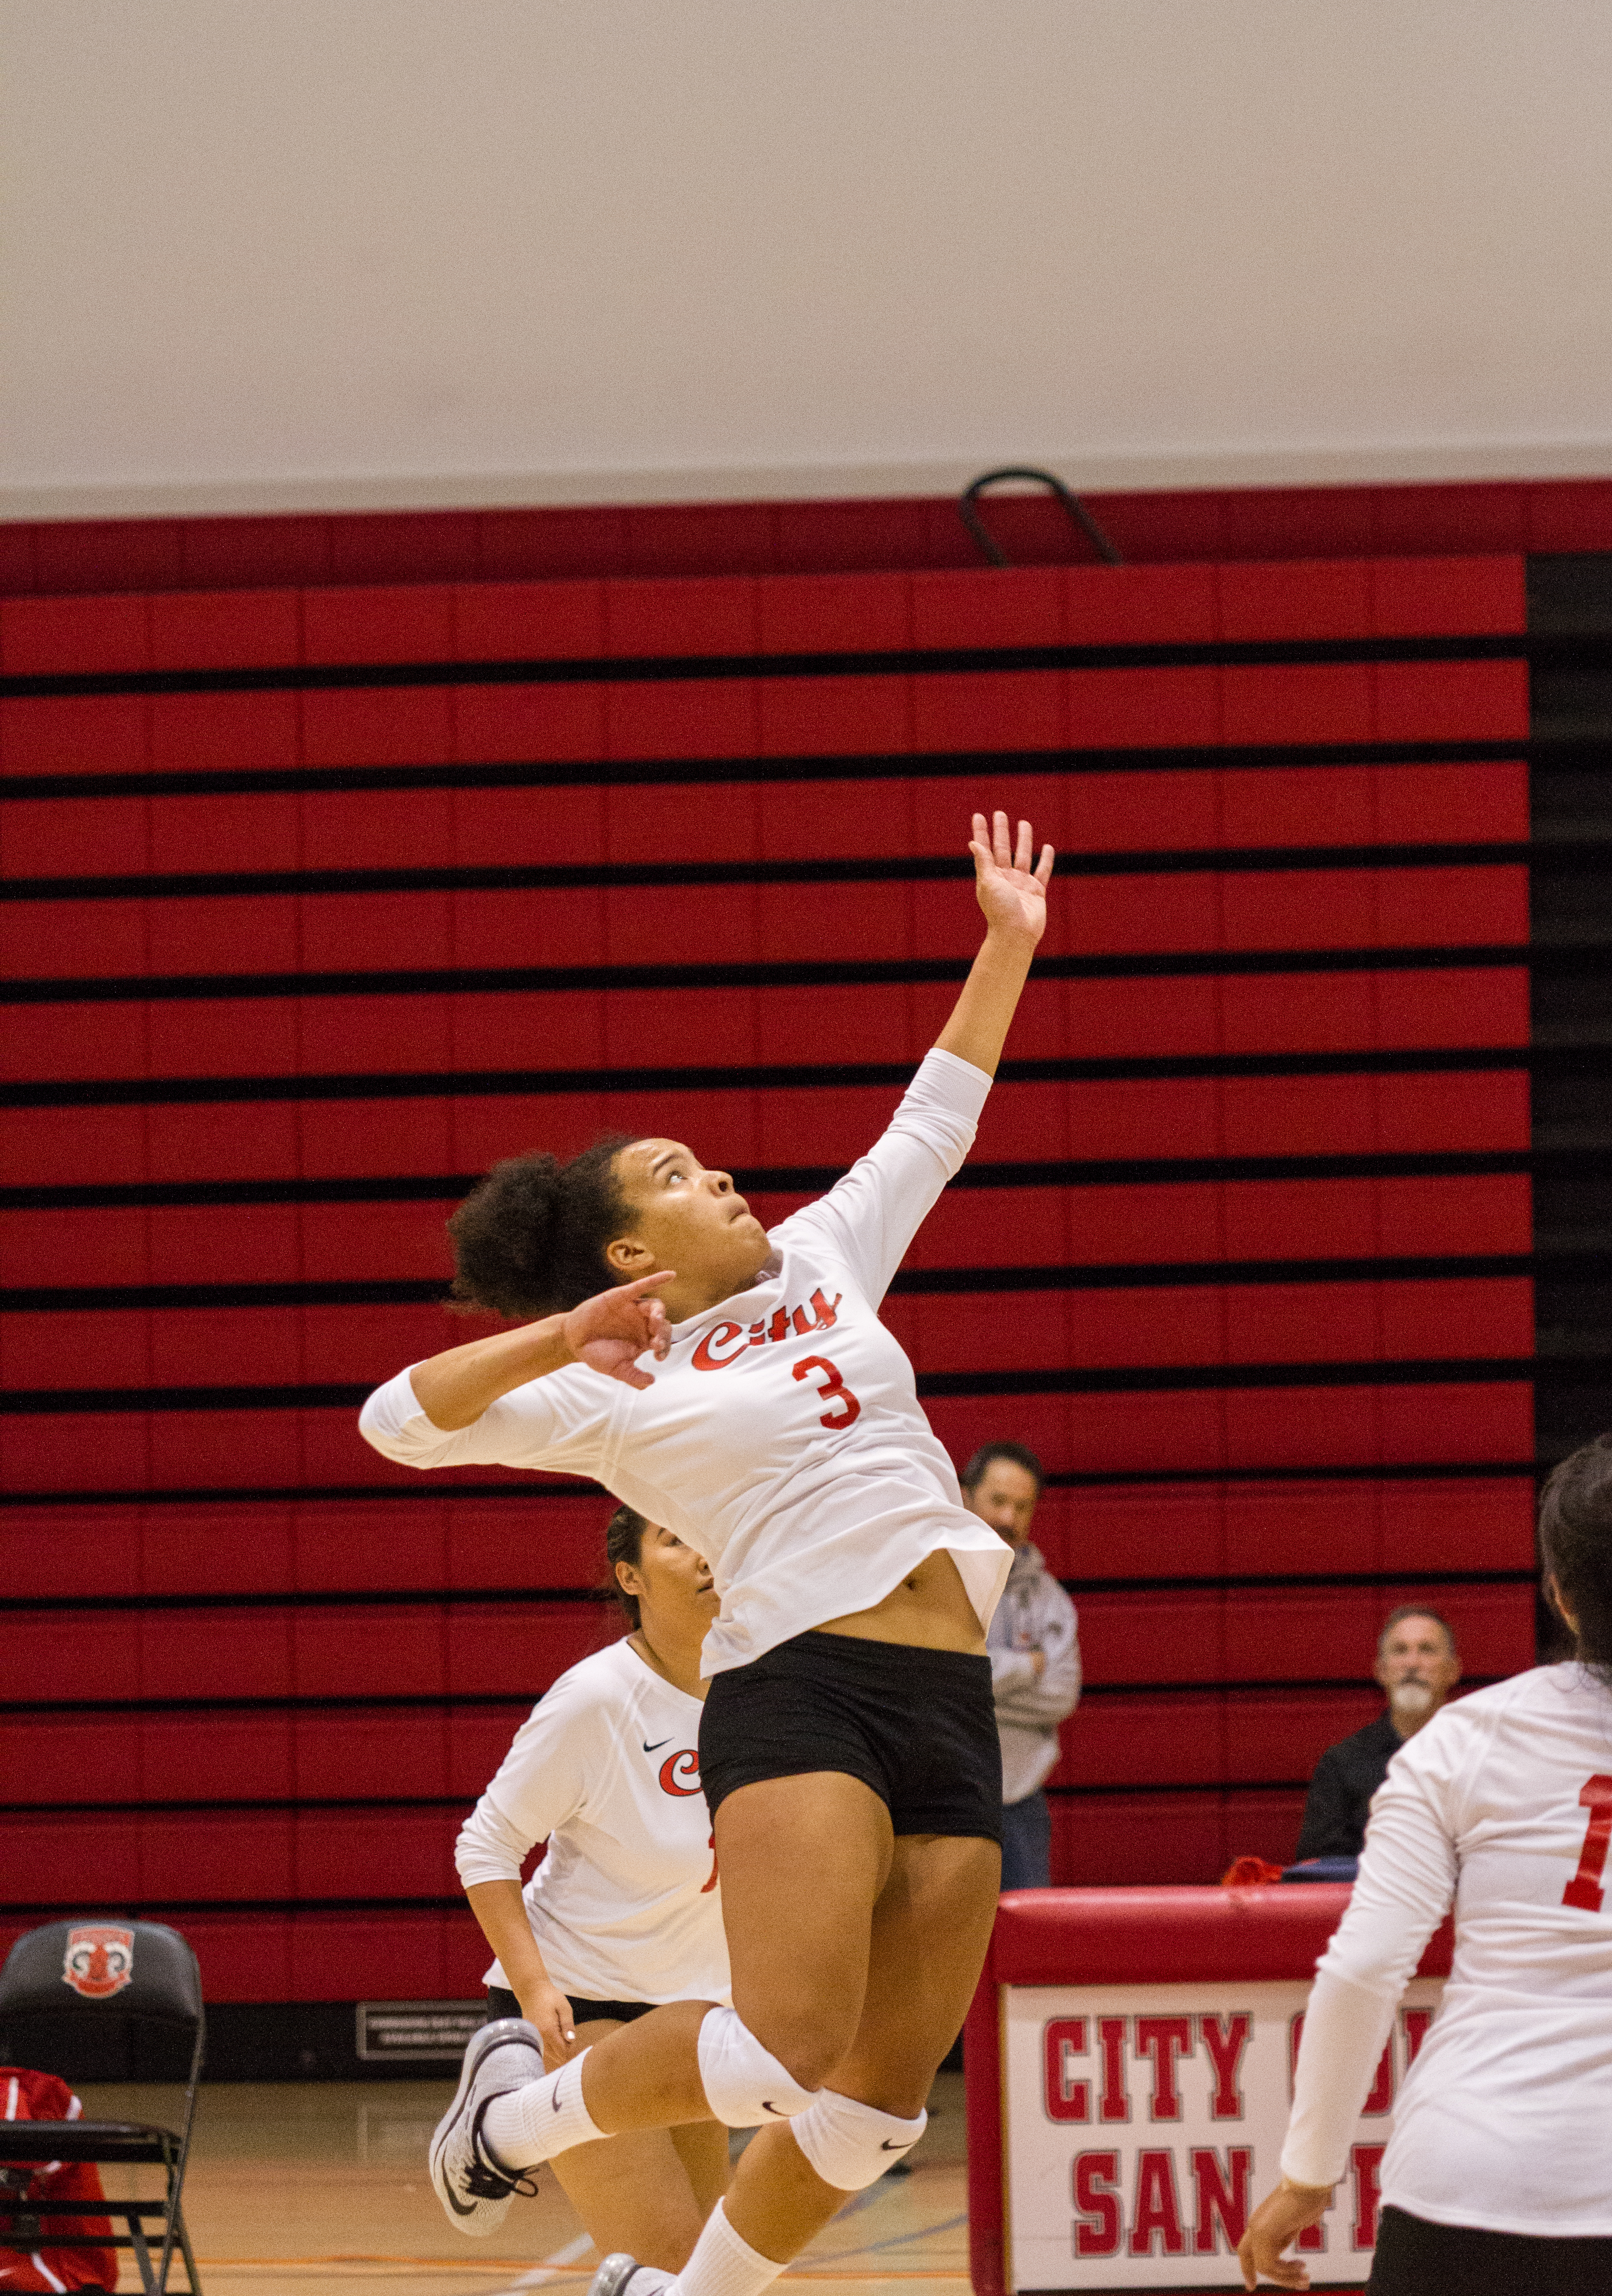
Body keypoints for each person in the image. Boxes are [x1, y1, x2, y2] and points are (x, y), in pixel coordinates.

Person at [359, 811, 1052, 2296]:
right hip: (800, 1682)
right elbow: (393, 1424)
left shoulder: (824, 1253)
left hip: (949, 1693)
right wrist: (555, 1338)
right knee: (786, 2049)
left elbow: (936, 1119)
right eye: (678, 1175)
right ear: (630, 1254)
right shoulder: (615, 1380)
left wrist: (1007, 942)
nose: (721, 1175)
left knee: (871, 2115)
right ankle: (520, 2114)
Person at [1240, 1433, 1612, 2295]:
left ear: (1558, 1592)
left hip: (1471, 2174)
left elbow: (1365, 1968)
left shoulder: (1463, 1739)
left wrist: (1308, 2171)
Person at [443, 1507, 729, 2264]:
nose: (705, 1555)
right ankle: (495, 2108)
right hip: (583, 2008)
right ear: (630, 1578)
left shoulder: (766, 1690)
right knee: (670, 2265)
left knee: (704, 2278)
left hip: (694, 2014)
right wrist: (538, 1998)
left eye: (710, 1534)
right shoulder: (597, 1698)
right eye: (676, 1539)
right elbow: (486, 1846)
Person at [960, 1442, 1080, 1889]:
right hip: (940, 1799)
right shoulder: (930, 1584)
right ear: (965, 1495)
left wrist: (971, 1692)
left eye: (1022, 1506)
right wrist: (1028, 1668)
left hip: (1022, 1808)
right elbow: (931, 1682)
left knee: (1028, 1952)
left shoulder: (1050, 1599)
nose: (1009, 1519)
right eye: (998, 1501)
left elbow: (1062, 1695)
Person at [1293, 1607, 1461, 1863]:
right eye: (1400, 1651)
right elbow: (1319, 1866)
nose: (1412, 1664)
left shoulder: (1480, 1754)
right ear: (1381, 1671)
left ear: (1453, 1671)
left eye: (1427, 1650)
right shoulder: (1342, 1763)